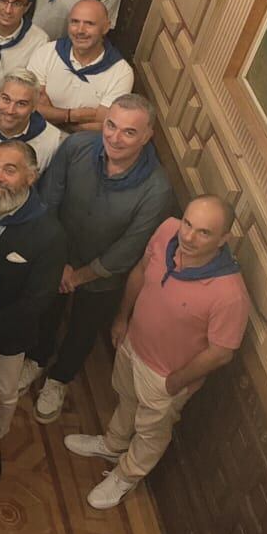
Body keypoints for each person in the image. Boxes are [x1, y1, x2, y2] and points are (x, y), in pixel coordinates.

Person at [68, 195, 248, 508]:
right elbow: (140, 271)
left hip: (165, 376)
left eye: (203, 232)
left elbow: (221, 353)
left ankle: (126, 476)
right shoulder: (168, 230)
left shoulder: (230, 294)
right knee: (125, 398)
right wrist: (122, 319)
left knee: (151, 433)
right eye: (188, 223)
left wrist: (175, 381)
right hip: (132, 345)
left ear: (223, 239)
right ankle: (112, 444)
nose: (188, 237)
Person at [30, 95, 175, 424]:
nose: (114, 137)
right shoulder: (77, 146)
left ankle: (59, 380)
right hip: (58, 255)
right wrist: (61, 260)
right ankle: (37, 358)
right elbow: (49, 198)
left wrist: (80, 276)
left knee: (83, 330)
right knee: (46, 311)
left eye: (128, 132)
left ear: (147, 135)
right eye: (111, 125)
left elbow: (130, 246)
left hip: (103, 276)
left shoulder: (157, 189)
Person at [0, 139, 66, 488]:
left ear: (31, 177)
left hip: (4, 331)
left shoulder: (50, 233)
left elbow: (38, 299)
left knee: (4, 392)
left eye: (10, 169)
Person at [27, 0, 134, 132]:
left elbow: (103, 126)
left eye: (89, 23)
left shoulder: (121, 72)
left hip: (84, 144)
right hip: (37, 132)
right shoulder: (46, 52)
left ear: (106, 27)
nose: (80, 30)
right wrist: (71, 115)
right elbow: (28, 106)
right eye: (75, 22)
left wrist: (52, 114)